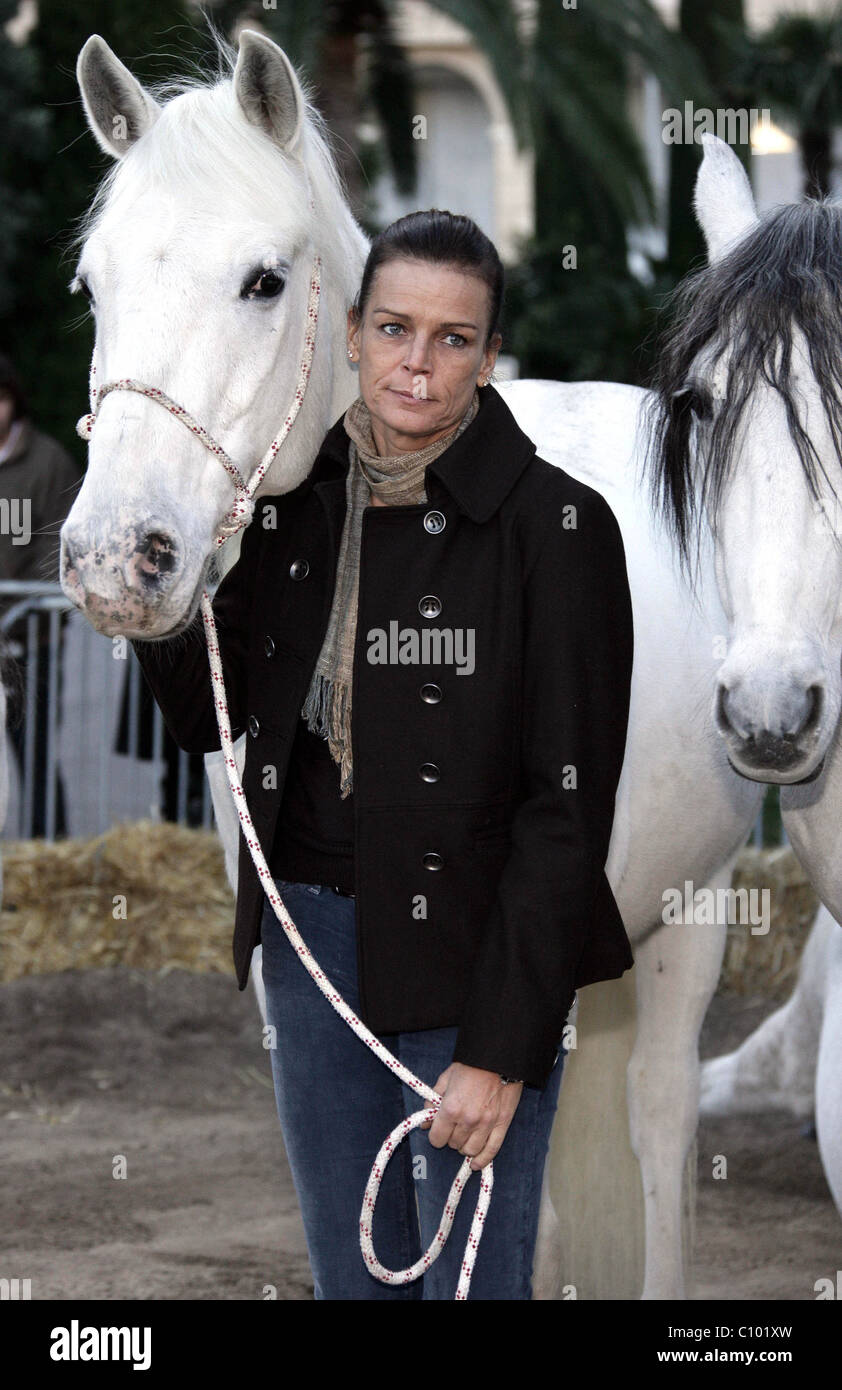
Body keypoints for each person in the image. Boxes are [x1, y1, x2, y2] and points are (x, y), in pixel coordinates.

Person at [131, 210, 635, 1300]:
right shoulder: (287, 508)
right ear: (354, 332)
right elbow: (204, 713)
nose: (418, 362)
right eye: (396, 327)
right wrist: (156, 557)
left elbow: (564, 818)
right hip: (310, 945)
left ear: (490, 356)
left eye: (454, 338)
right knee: (352, 1283)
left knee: (467, 1284)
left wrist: (500, 1051)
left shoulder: (558, 528)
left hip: (474, 957)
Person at [0, 354, 83, 838]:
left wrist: (15, 616)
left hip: (28, 646)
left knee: (32, 756)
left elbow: (55, 552)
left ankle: (47, 861)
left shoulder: (48, 462)